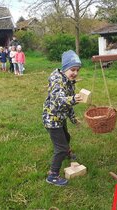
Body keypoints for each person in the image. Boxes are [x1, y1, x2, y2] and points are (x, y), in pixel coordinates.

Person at [42, 50, 83, 186]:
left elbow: (68, 105)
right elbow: (60, 101)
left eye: (77, 70)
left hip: (60, 117)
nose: (75, 73)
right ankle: (53, 175)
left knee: (66, 137)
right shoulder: (57, 81)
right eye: (73, 69)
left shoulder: (69, 81)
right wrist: (73, 99)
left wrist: (73, 118)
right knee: (60, 147)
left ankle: (67, 152)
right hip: (52, 119)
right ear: (65, 68)